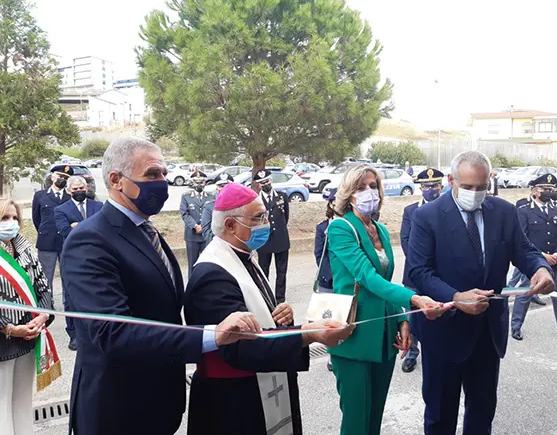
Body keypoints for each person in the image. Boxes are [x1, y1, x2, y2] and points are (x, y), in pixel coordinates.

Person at [60, 138, 262, 435]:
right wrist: (210, 336)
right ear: (117, 180)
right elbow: (111, 332)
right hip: (119, 410)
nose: (163, 183)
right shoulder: (90, 240)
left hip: (159, 402)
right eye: (153, 175)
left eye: (164, 174)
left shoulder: (146, 231)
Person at [184, 183, 352, 435]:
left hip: (256, 387)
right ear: (230, 225)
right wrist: (308, 334)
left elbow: (256, 315)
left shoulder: (242, 254)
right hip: (234, 402)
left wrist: (281, 317)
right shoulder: (213, 273)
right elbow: (242, 345)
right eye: (258, 218)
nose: (267, 223)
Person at [407, 150, 554, 435]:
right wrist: (454, 296)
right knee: (439, 415)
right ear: (451, 181)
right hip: (444, 333)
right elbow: (418, 271)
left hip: (487, 332)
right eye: (468, 187)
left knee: (482, 412)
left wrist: (539, 268)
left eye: (482, 187)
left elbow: (523, 250)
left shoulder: (504, 212)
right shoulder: (427, 216)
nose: (475, 193)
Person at [327, 164, 444, 435]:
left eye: (372, 186)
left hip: (382, 335)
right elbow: (368, 278)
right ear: (349, 193)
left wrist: (402, 319)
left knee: (375, 416)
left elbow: (386, 281)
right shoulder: (341, 228)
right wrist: (415, 300)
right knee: (356, 421)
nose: (369, 192)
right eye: (361, 187)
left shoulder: (378, 228)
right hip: (352, 334)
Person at [0, 199, 53, 435]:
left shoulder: (26, 248)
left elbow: (43, 287)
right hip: (3, 340)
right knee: (2, 406)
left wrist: (43, 316)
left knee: (22, 402)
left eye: (14, 218)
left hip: (29, 337)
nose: (11, 223)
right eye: (4, 218)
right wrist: (8, 327)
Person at [511, 174, 557, 341]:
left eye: (551, 189)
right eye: (545, 189)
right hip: (534, 264)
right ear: (535, 191)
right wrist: (541, 256)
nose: (549, 192)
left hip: (556, 262)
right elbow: (522, 239)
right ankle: (516, 326)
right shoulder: (524, 211)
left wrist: (556, 255)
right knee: (525, 293)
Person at [399, 168, 444, 374]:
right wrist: (423, 264)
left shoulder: (448, 210)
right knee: (414, 315)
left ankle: (436, 352)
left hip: (441, 274)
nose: (430, 189)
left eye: (434, 186)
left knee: (439, 313)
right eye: (426, 186)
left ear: (441, 187)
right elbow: (406, 241)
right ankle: (411, 353)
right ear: (420, 188)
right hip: (415, 274)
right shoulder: (411, 211)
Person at [54, 175, 103, 351]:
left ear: (87, 188)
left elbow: (104, 228)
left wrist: (78, 226)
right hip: (72, 258)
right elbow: (65, 230)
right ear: (68, 191)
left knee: (97, 293)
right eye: (75, 190)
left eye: (81, 188)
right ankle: (74, 334)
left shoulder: (98, 206)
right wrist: (87, 226)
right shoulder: (61, 210)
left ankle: (97, 330)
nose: (79, 192)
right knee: (71, 297)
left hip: (97, 256)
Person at [32, 165, 71, 294]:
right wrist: (45, 232)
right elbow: (36, 218)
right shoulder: (40, 196)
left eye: (65, 178)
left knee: (68, 277)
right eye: (60, 176)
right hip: (46, 242)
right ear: (52, 176)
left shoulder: (70, 197)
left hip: (66, 242)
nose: (62, 179)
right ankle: (48, 308)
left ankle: (69, 308)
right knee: (46, 278)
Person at [255, 169, 291, 304]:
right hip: (264, 242)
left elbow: (285, 217)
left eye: (267, 181)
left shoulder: (282, 196)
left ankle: (280, 299)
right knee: (263, 271)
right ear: (259, 185)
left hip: (281, 240)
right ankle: (266, 297)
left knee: (281, 272)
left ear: (271, 180)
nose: (266, 184)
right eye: (262, 183)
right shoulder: (256, 200)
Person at [315, 189, 337, 371]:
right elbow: (320, 255)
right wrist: (331, 276)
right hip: (328, 282)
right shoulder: (323, 228)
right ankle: (331, 355)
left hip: (348, 281)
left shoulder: (352, 225)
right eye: (334, 201)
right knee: (329, 320)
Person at [180, 171, 209, 277]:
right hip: (192, 236)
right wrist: (195, 226)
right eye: (196, 182)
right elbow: (184, 213)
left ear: (205, 182)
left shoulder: (211, 196)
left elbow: (212, 213)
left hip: (206, 236)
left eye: (201, 182)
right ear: (192, 183)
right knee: (192, 264)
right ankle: (192, 289)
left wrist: (204, 226)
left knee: (207, 264)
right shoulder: (186, 196)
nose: (199, 185)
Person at [201, 173, 234, 245]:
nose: (224, 188)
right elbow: (206, 230)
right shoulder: (209, 207)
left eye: (227, 186)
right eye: (221, 186)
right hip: (217, 246)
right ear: (217, 188)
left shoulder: (240, 205)